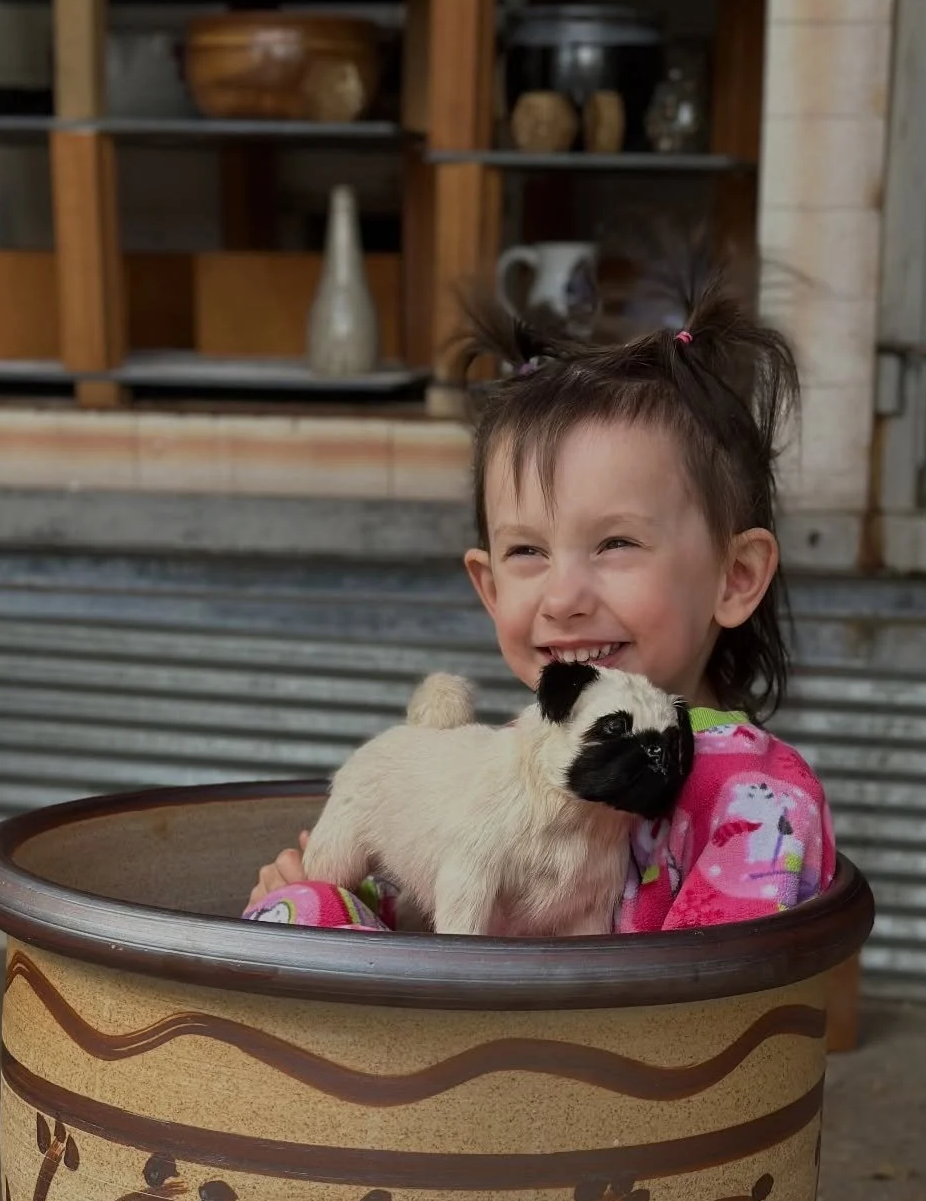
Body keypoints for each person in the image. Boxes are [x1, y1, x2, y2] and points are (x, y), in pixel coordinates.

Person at [243, 273, 834, 933]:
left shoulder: (754, 802)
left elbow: (704, 1008)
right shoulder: (512, 765)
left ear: (736, 577)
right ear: (489, 587)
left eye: (615, 543)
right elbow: (419, 905)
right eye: (527, 552)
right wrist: (324, 904)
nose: (562, 598)